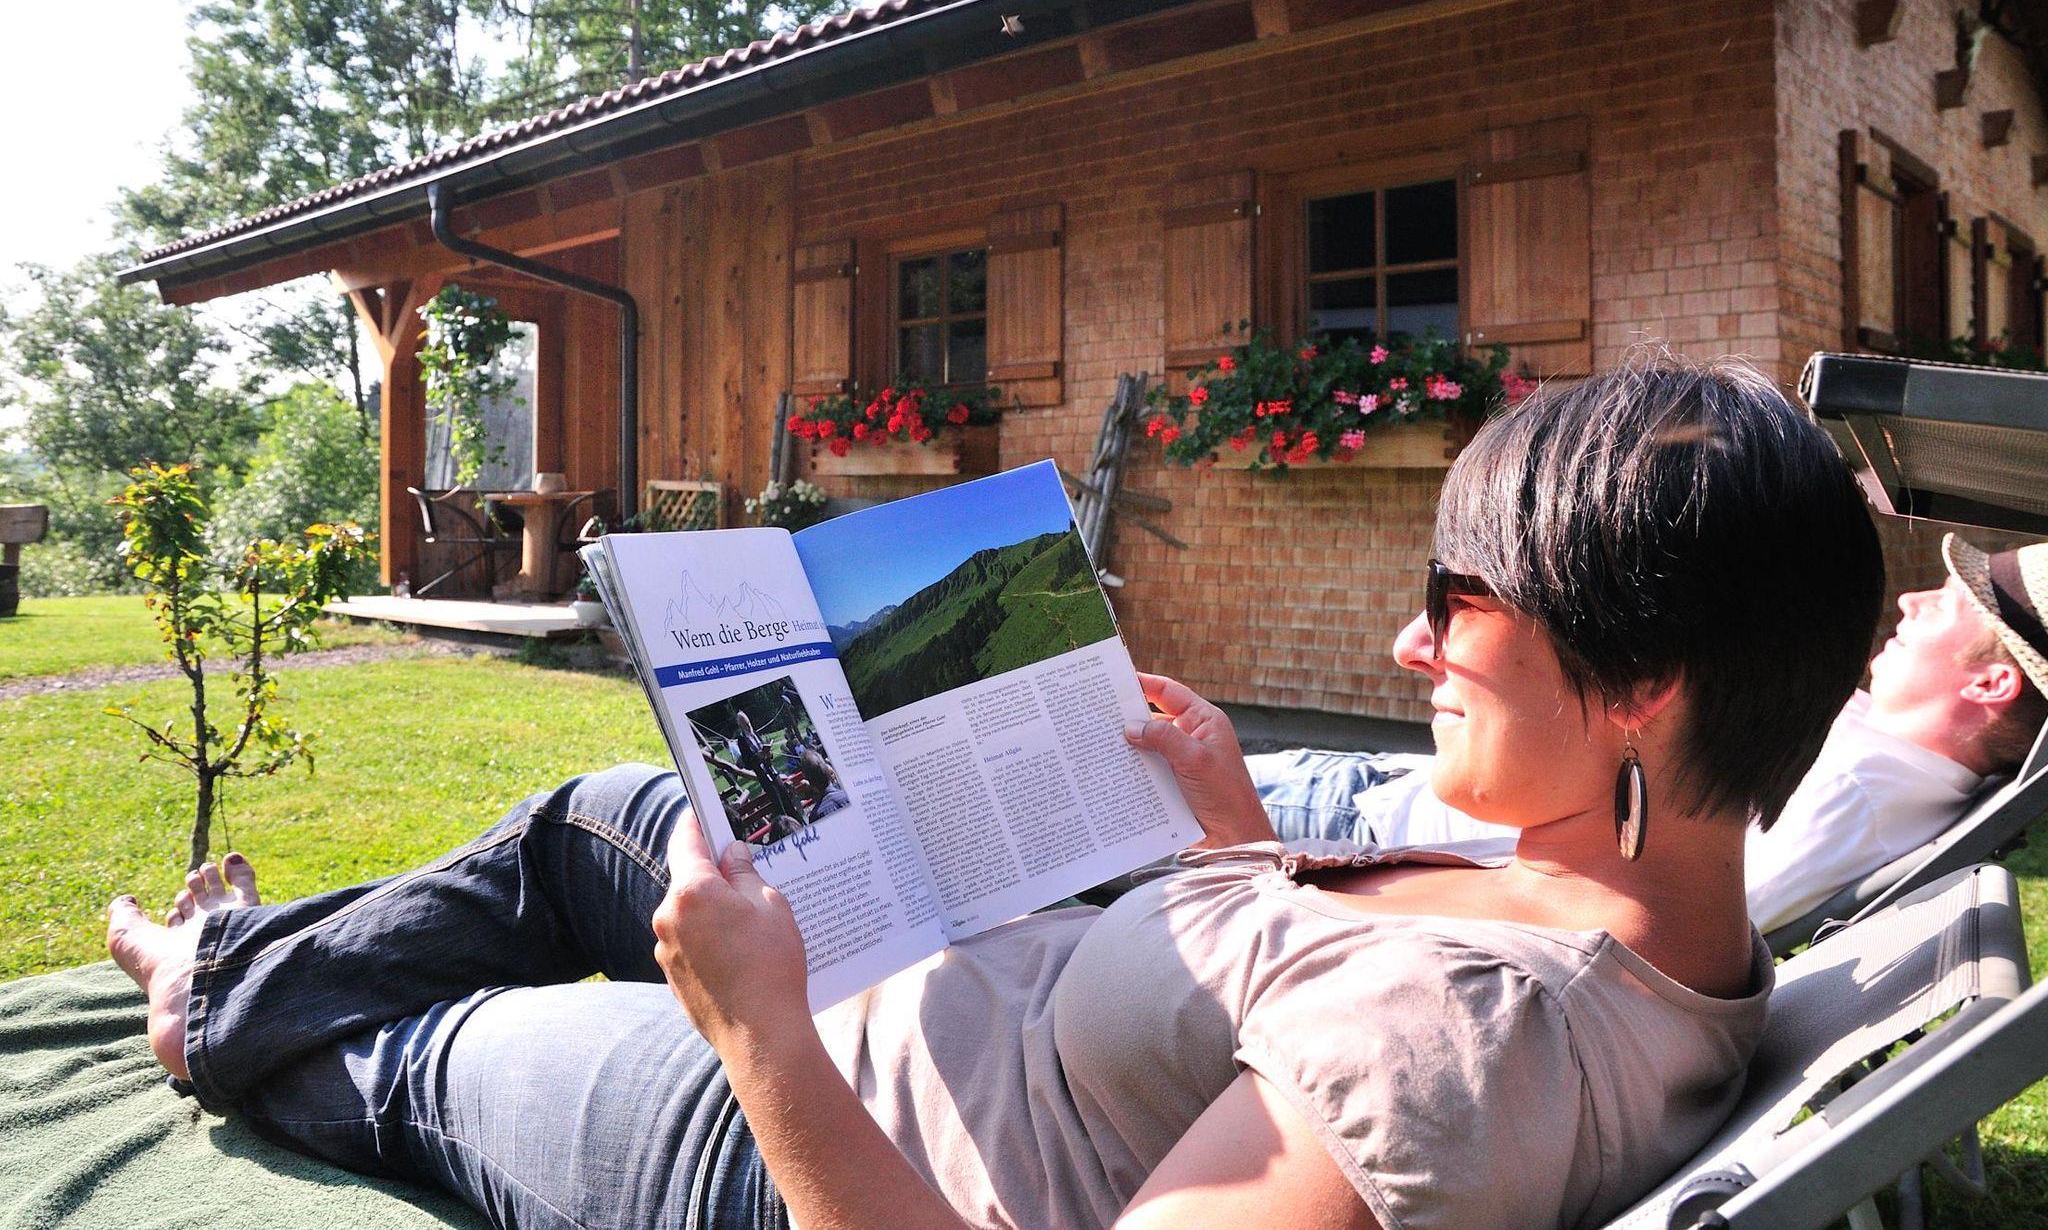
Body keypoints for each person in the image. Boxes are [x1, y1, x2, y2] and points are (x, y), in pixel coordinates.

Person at [104, 356, 1887, 1230]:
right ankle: (237, 967)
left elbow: (1392, 1042)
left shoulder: (1465, 1051)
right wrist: (1230, 832)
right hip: (926, 963)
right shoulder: (1619, 892)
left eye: (1461, 600)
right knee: (591, 814)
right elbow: (1314, 989)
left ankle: (212, 997)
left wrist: (763, 1036)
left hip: (809, 1133)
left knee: (419, 1055)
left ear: (1643, 679)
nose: (1411, 642)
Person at [1249, 534, 2048, 932]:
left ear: (1991, 684)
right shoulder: (1882, 758)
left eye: (1948, 603)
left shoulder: (1855, 796)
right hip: (1390, 801)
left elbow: (1684, 918)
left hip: (1369, 841)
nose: (1911, 601)